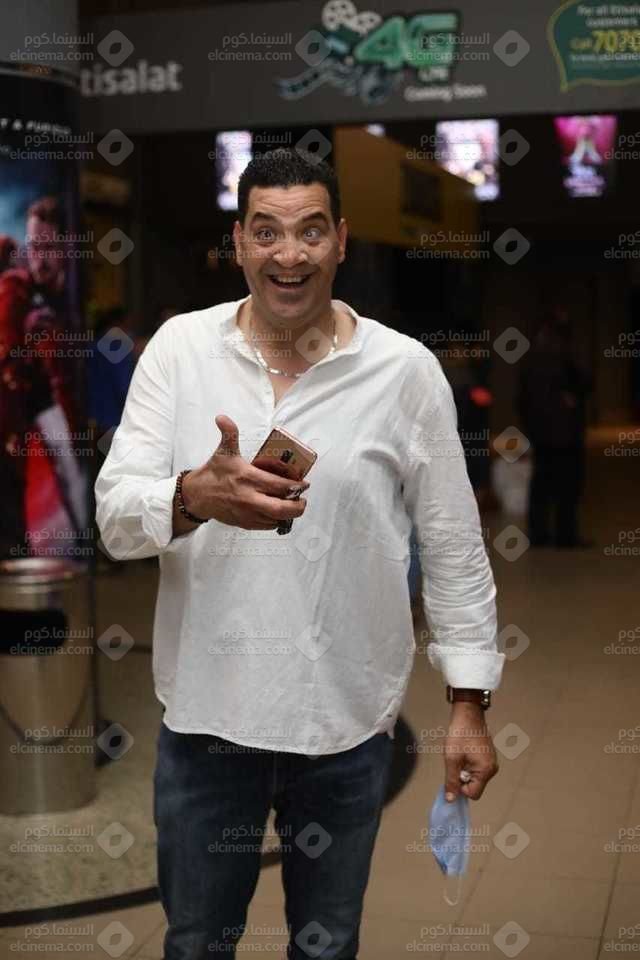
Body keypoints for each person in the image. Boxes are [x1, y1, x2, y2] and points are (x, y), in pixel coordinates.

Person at [95, 149, 504, 960]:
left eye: (311, 231)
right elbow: (113, 519)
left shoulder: (404, 372)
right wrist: (191, 497)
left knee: (326, 946)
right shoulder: (179, 351)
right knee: (197, 943)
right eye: (267, 231)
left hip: (345, 728)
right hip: (208, 725)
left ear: (341, 240)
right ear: (238, 242)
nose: (290, 254)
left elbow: (453, 545)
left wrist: (468, 703)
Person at [518, 305, 592, 548]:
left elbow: (522, 399)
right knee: (568, 485)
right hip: (566, 432)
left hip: (542, 432)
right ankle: (565, 535)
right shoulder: (566, 353)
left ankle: (539, 535)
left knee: (541, 484)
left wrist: (530, 426)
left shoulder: (532, 356)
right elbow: (584, 383)